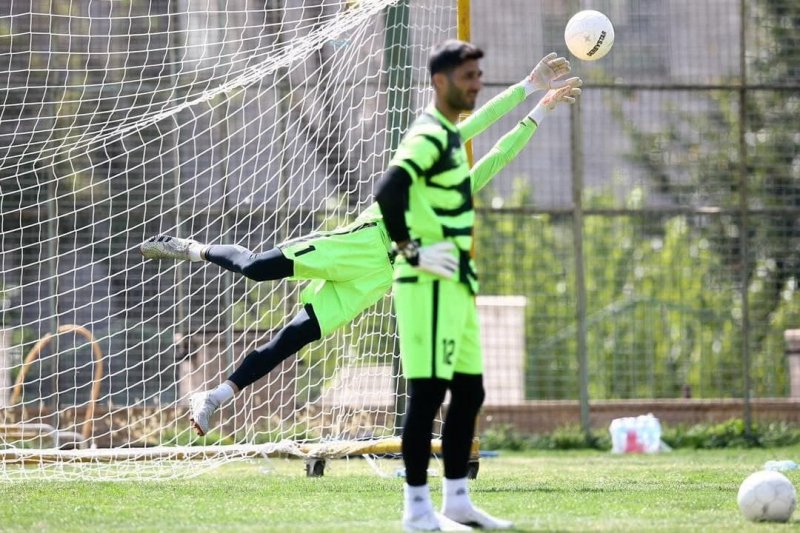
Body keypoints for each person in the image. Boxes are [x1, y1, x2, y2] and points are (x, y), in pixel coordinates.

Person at [139, 50, 580, 447]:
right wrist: (528, 86)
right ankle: (192, 249)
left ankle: (214, 397)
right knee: (255, 268)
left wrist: (542, 109)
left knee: (291, 339)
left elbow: (500, 154)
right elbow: (479, 124)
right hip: (359, 244)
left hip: (375, 279)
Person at [374, 40, 581, 531]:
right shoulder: (428, 135)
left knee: (469, 392)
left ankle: (457, 502)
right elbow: (388, 191)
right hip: (425, 284)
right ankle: (416, 511)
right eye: (467, 76)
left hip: (455, 285)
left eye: (477, 75)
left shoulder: (449, 138)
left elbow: (495, 152)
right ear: (440, 82)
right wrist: (412, 251)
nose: (476, 83)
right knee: (428, 395)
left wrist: (537, 100)